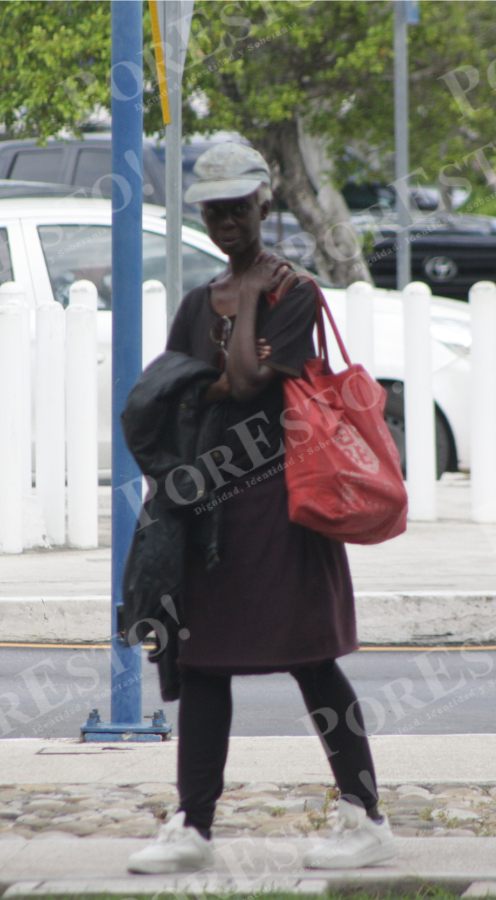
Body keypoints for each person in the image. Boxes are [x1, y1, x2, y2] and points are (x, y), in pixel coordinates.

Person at [125, 143, 396, 874]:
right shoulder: (193, 304)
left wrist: (244, 310)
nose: (226, 223)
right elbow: (172, 397)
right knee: (205, 666)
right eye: (214, 211)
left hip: (285, 507)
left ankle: (365, 815)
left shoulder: (294, 293)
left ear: (264, 205)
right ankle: (193, 826)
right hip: (209, 514)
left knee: (312, 663)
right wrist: (213, 373)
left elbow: (244, 383)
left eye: (239, 208)